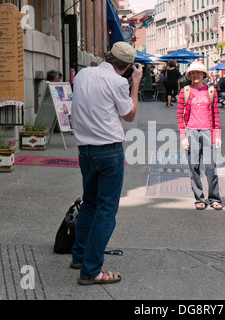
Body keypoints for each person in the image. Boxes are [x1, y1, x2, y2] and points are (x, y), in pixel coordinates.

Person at [70, 41, 143, 285]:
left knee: (89, 203)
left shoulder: (82, 74)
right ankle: (91, 270)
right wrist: (135, 84)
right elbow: (129, 115)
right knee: (106, 211)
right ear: (128, 66)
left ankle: (79, 256)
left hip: (85, 151)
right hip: (109, 151)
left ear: (108, 56)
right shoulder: (119, 81)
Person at [177, 61, 222, 211]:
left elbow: (216, 114)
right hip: (191, 132)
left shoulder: (211, 91)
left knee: (210, 167)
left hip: (208, 132)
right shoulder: (185, 91)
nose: (195, 75)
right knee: (194, 166)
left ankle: (214, 198)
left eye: (198, 73)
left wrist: (217, 134)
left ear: (204, 74)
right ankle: (199, 198)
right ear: (189, 75)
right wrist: (183, 136)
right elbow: (179, 116)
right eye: (193, 73)